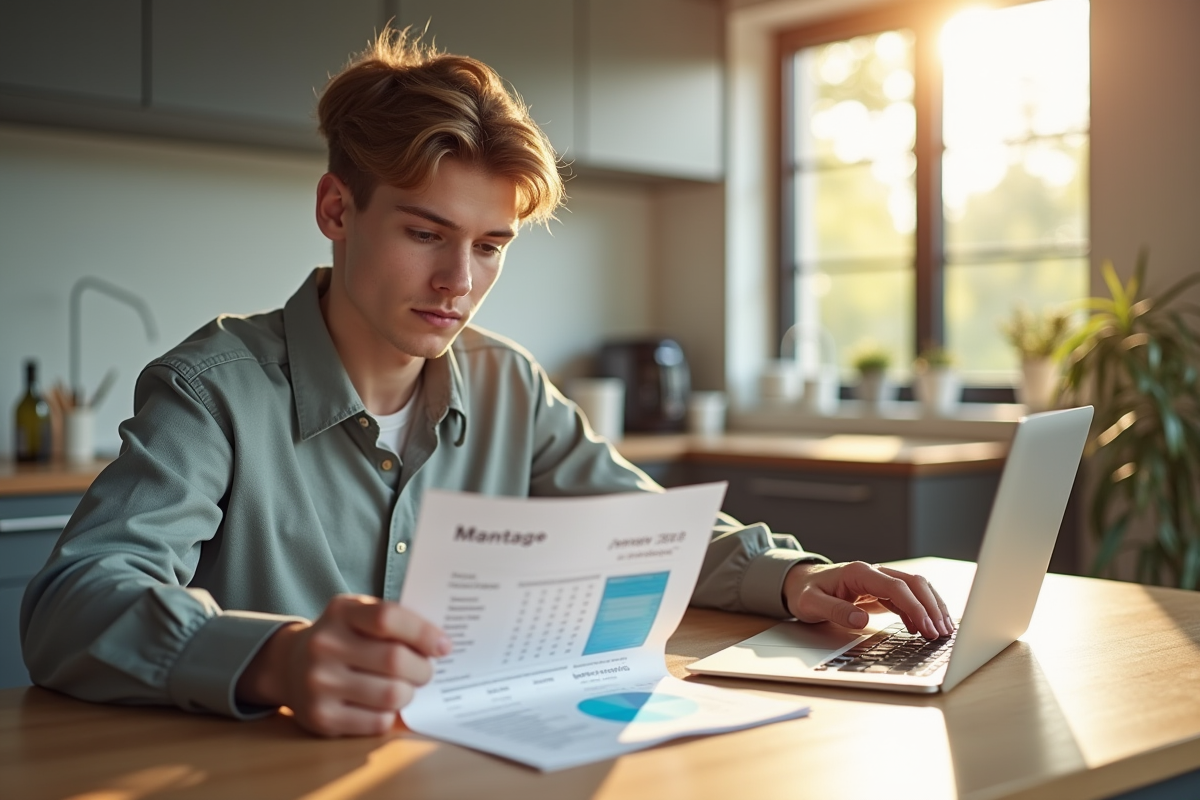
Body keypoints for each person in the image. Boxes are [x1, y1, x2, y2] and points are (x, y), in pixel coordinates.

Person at [21, 29, 953, 738]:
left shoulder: (509, 385)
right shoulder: (212, 388)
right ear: (337, 210)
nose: (457, 283)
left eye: (490, 246)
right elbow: (77, 599)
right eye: (426, 234)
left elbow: (648, 533)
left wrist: (799, 577)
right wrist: (276, 657)